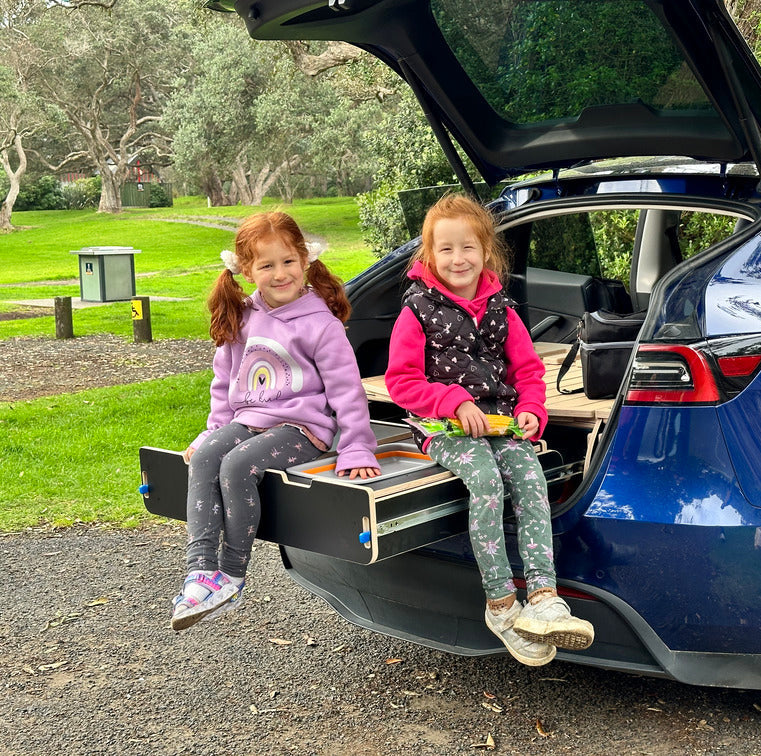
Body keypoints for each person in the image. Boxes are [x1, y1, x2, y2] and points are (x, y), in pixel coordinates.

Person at [385, 193, 594, 666]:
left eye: (468, 248)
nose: (458, 259)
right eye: (446, 249)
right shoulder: (417, 310)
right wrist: (454, 402)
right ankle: (500, 605)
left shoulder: (502, 308)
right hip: (443, 428)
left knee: (531, 479)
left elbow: (527, 371)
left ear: (486, 252)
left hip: (501, 425)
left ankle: (543, 599)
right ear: (428, 255)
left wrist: (533, 411)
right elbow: (401, 382)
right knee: (486, 481)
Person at [171, 211, 380, 632]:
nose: (280, 273)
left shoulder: (321, 324)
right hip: (251, 418)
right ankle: (199, 573)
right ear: (247, 270)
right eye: (267, 265)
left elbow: (346, 391)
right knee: (207, 456)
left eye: (288, 261)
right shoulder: (243, 316)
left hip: (304, 428)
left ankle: (230, 575)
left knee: (236, 466)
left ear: (304, 259)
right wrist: (213, 431)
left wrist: (357, 444)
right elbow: (224, 381)